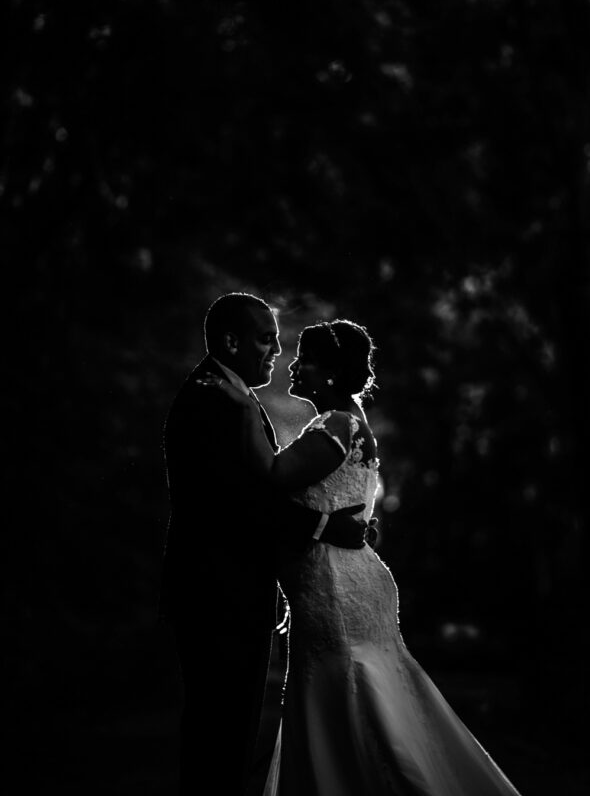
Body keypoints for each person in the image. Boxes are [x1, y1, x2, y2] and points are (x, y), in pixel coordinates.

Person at [204, 316, 524, 796]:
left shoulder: (336, 425)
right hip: (343, 576)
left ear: (330, 370)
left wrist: (244, 403)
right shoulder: (346, 421)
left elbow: (273, 474)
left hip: (335, 587)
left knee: (350, 693)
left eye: (306, 360)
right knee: (351, 692)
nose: (294, 366)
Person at [159, 294, 369, 796]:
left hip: (234, 588)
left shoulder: (232, 394)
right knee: (219, 730)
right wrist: (324, 528)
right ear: (231, 341)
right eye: (266, 339)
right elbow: (242, 499)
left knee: (230, 729)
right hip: (217, 592)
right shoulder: (211, 398)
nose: (277, 351)